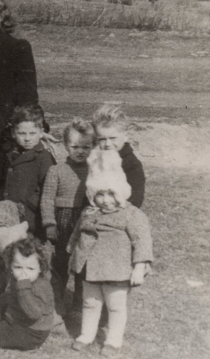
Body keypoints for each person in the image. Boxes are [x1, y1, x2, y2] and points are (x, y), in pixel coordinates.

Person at [68, 149, 153, 356]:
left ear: (121, 191)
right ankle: (87, 335)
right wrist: (71, 248)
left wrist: (139, 266)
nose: (106, 200)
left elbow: (142, 241)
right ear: (92, 194)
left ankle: (113, 340)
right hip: (90, 267)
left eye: (111, 194)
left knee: (115, 306)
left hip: (117, 269)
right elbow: (78, 231)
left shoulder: (132, 214)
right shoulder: (89, 212)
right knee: (90, 303)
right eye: (100, 194)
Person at [41, 118, 95, 309]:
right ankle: (56, 302)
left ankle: (79, 304)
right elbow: (47, 198)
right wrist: (49, 223)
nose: (80, 151)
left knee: (84, 263)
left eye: (85, 147)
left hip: (85, 219)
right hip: (63, 221)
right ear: (65, 146)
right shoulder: (56, 170)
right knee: (60, 264)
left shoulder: (94, 171)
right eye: (74, 146)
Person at [3, 104, 54, 236]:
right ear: (13, 133)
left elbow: (47, 187)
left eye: (32, 133)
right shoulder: (9, 153)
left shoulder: (43, 157)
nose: (27, 138)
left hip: (29, 218)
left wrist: (28, 205)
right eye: (21, 133)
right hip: (6, 214)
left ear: (41, 133)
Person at [91, 103, 146, 208]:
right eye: (102, 139)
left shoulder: (132, 164)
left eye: (113, 138)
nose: (107, 144)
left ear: (126, 136)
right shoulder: (96, 159)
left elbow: (135, 200)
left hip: (121, 215)